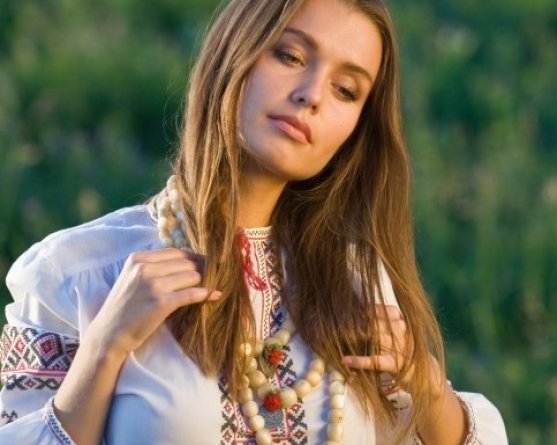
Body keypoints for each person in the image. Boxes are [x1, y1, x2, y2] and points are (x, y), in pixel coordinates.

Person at [0, 0, 507, 443]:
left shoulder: (356, 282)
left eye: (346, 90)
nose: (312, 94)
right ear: (235, 52)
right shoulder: (77, 273)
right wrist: (103, 348)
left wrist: (426, 383)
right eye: (291, 56)